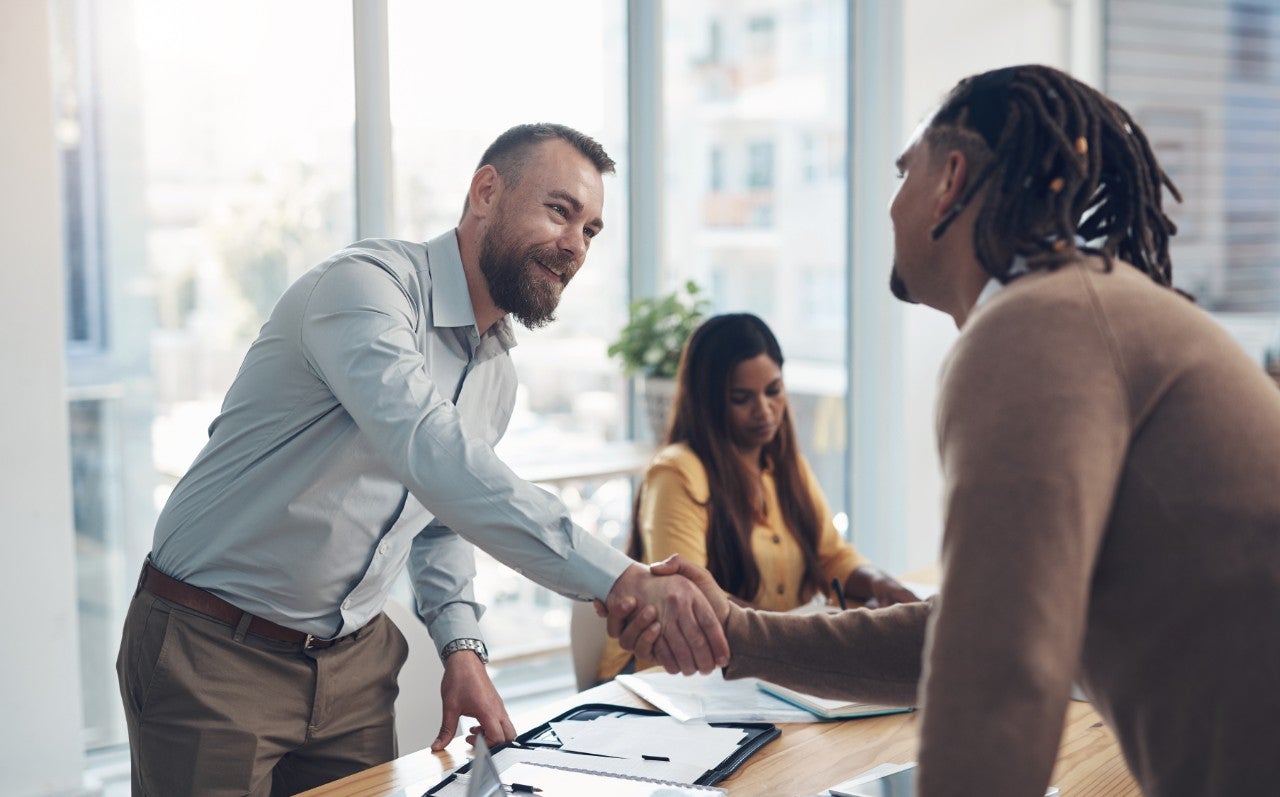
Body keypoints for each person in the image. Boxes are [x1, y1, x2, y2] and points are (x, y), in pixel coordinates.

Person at [612, 65, 1280, 796]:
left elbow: (997, 675)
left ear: (949, 180)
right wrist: (741, 634)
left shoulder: (1034, 328)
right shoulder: (1079, 309)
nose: (891, 203)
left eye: (904, 171)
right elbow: (964, 633)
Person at [116, 123, 727, 796]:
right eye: (560, 210)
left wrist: (462, 646)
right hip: (213, 648)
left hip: (352, 666)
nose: (575, 245)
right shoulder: (363, 291)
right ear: (486, 192)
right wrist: (621, 579)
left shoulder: (495, 374)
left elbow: (439, 519)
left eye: (591, 229)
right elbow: (437, 456)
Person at [597, 312, 916, 681]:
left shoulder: (784, 466)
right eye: (741, 398)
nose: (764, 411)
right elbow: (689, 598)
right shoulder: (677, 472)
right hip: (664, 682)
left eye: (774, 391)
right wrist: (789, 637)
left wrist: (881, 583)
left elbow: (832, 556)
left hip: (758, 669)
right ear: (709, 402)